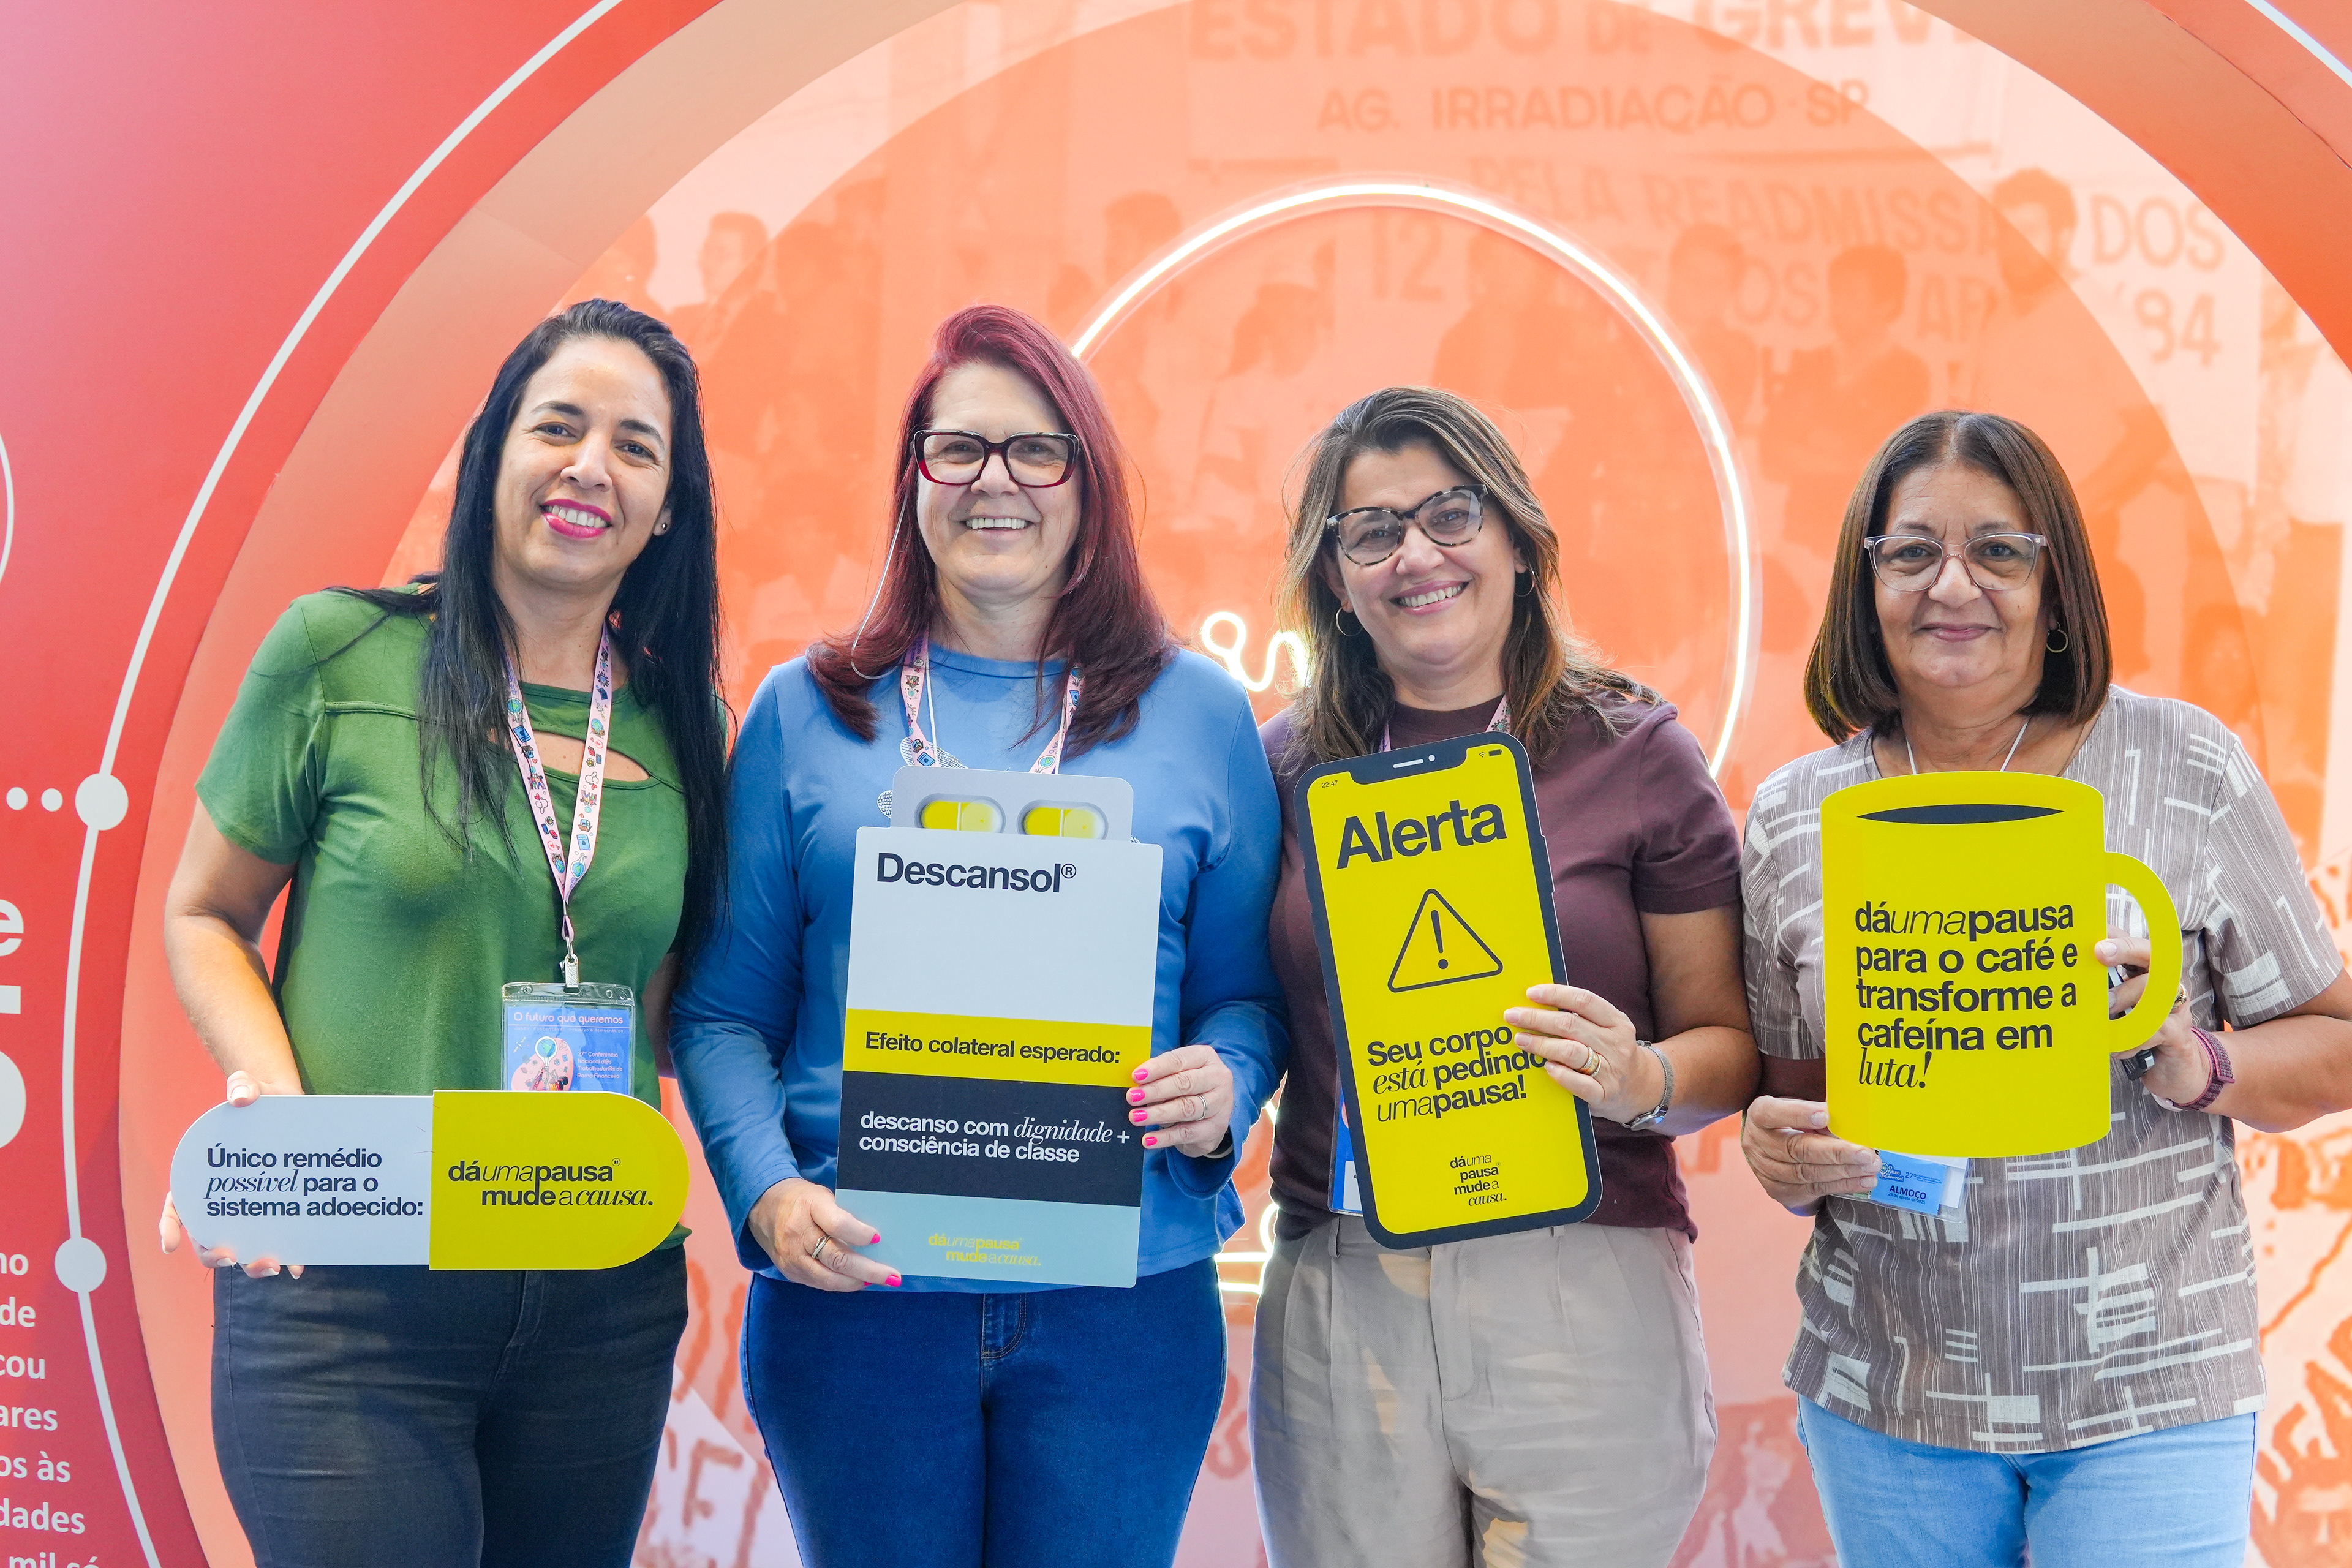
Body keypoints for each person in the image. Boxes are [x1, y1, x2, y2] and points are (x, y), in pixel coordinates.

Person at [668, 303, 1284, 1567]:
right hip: (859, 1301)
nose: (994, 481)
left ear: (1088, 481)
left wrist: (1228, 1080)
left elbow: (1246, 996)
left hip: (1124, 1310)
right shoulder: (805, 709)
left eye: (1036, 450)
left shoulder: (1203, 713)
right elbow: (723, 1011)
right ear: (914, 481)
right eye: (958, 449)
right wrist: (765, 1191)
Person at [158, 298, 728, 1566]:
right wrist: (275, 1119)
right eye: (559, 427)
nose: (591, 466)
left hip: (598, 1292)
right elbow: (205, 913)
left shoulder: (690, 724)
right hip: (351, 1283)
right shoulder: (338, 653)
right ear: (494, 454)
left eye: (636, 446)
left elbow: (678, 1007)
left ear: (668, 509)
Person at [1740, 410, 2352, 1567]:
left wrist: (2197, 1059)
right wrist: (1778, 1152)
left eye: (1998, 551)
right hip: (1889, 1395)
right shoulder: (1793, 816)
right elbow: (1798, 1102)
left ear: (2057, 586)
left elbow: (2336, 1042)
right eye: (1911, 552)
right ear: (1866, 587)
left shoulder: (2187, 767)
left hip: (2149, 1386)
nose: (1951, 585)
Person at [1252, 385, 1758, 1567]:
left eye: (1451, 514)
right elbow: (1244, 1013)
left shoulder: (1636, 750)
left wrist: (1640, 1077)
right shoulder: (1280, 766)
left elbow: (1727, 1046)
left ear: (1519, 543)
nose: (1416, 554)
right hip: (1347, 1277)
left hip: (1582, 1274)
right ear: (1335, 579)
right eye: (1372, 531)